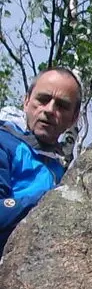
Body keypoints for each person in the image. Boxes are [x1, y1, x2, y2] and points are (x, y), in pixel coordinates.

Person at [0, 67, 82, 256]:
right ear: (26, 100)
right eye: (43, 99)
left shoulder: (61, 171)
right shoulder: (4, 142)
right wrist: (48, 200)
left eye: (62, 105)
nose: (50, 110)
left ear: (74, 118)